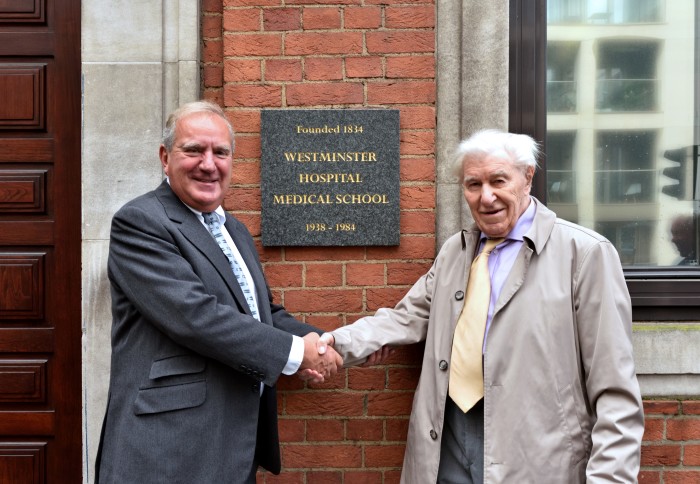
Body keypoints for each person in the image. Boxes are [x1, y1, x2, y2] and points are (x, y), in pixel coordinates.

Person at [318, 129, 644, 483]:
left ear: (527, 178)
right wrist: (337, 344)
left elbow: (615, 390)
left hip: (537, 453)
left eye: (498, 181)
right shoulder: (456, 253)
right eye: (474, 185)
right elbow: (406, 317)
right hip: (449, 440)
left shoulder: (584, 254)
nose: (486, 197)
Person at [95, 100, 342, 483]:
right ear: (165, 157)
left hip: (229, 447)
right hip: (167, 450)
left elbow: (261, 313)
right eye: (194, 150)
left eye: (220, 152)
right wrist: (297, 354)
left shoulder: (234, 230)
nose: (209, 164)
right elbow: (197, 317)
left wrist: (325, 341)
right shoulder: (141, 222)